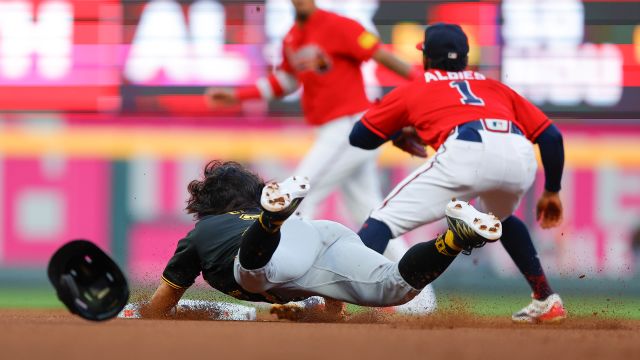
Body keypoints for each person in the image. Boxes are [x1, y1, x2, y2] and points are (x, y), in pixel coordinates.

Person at [205, 0, 436, 314]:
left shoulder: (338, 25)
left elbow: (380, 54)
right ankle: (422, 303)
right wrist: (238, 95)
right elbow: (285, 81)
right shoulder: (292, 38)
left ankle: (303, 287)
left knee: (296, 196)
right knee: (375, 216)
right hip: (334, 129)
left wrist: (424, 80)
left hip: (350, 124)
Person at [349, 23, 567, 323]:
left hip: (467, 149)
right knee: (500, 218)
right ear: (465, 58)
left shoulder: (420, 85)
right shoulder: (494, 86)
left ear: (426, 57)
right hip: (519, 152)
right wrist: (552, 190)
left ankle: (338, 295)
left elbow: (359, 137)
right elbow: (551, 137)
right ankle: (545, 298)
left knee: (382, 221)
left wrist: (399, 131)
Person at [141, 161, 501, 319]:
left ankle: (271, 222)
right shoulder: (232, 226)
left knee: (253, 271)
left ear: (206, 206)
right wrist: (316, 314)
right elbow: (331, 297)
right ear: (253, 196)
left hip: (271, 248)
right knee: (395, 288)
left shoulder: (202, 232)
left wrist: (145, 315)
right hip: (318, 231)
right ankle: (454, 239)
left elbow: (164, 302)